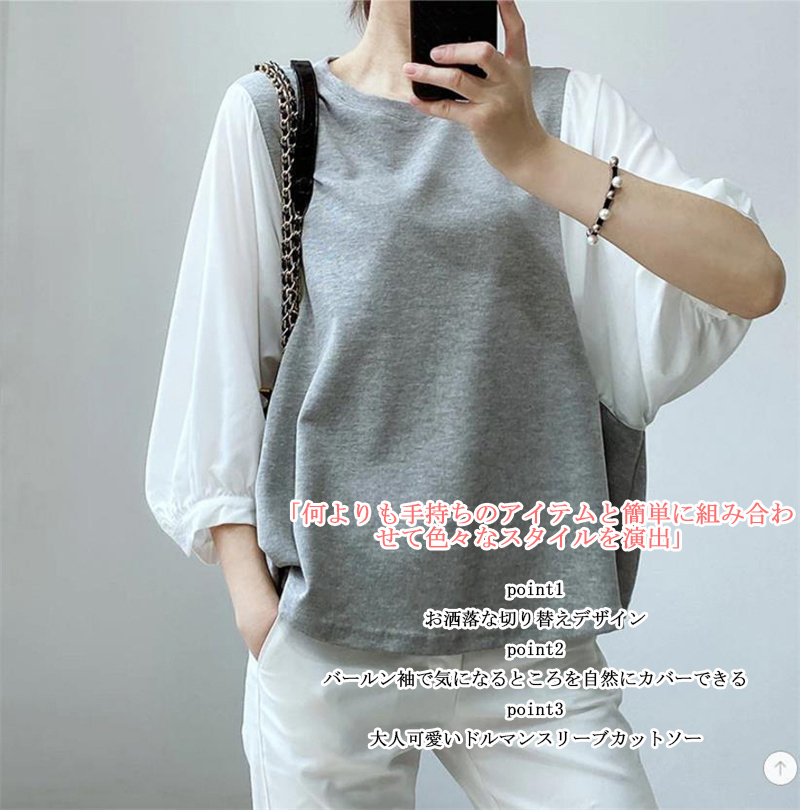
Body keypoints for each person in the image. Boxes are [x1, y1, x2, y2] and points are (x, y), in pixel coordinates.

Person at [144, 1, 784, 807]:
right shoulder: (280, 114)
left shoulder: (566, 113)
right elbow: (216, 367)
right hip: (330, 639)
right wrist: (258, 612)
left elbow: (752, 278)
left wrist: (537, 157)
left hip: (532, 638)